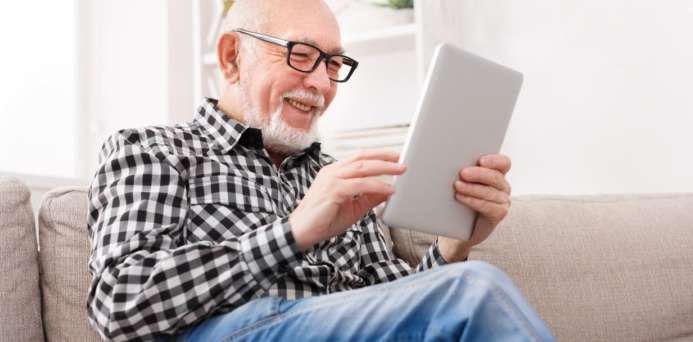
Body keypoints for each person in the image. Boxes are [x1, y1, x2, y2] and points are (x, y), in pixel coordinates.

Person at [86, 0, 554, 340]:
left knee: (468, 284)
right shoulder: (152, 149)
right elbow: (118, 304)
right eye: (301, 55)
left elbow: (390, 306)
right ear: (232, 58)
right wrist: (291, 233)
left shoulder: (338, 178)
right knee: (475, 290)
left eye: (333, 64)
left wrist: (453, 247)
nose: (320, 84)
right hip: (228, 331)